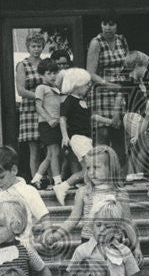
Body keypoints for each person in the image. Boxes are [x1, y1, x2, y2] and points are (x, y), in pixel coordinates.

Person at [42, 146, 141, 266]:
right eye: (88, 168)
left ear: (110, 168)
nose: (91, 172)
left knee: (114, 275)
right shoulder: (84, 192)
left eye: (96, 167)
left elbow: (128, 223)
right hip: (88, 242)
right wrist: (56, 236)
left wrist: (137, 248)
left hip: (114, 243)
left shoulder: (120, 193)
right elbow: (72, 220)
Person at [65, 201, 149, 276]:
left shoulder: (124, 251)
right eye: (98, 225)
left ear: (117, 230)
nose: (102, 230)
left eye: (108, 227)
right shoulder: (82, 251)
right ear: (91, 225)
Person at [87, 12, 129, 165]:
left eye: (111, 24)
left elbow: (128, 65)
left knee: (118, 133)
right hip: (101, 92)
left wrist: (123, 84)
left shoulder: (122, 40)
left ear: (117, 25)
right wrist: (109, 84)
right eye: (105, 24)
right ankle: (99, 171)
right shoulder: (96, 43)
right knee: (103, 134)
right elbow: (90, 73)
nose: (108, 28)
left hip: (118, 92)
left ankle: (119, 175)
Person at [54, 68, 94, 206]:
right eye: (86, 84)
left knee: (89, 168)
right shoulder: (69, 101)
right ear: (76, 85)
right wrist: (65, 136)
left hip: (86, 138)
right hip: (77, 138)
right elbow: (62, 119)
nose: (89, 87)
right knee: (89, 168)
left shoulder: (84, 101)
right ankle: (63, 186)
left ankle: (87, 191)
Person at [15, 31, 47, 180]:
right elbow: (21, 90)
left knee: (49, 146)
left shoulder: (46, 64)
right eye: (33, 46)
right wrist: (38, 95)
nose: (36, 49)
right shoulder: (23, 65)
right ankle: (36, 181)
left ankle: (51, 178)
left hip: (46, 108)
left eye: (39, 46)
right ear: (28, 47)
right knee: (34, 148)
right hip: (29, 109)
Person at [30, 56, 65, 192]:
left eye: (54, 73)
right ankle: (57, 181)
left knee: (51, 155)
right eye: (48, 73)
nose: (52, 76)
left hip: (56, 124)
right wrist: (49, 119)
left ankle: (35, 179)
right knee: (54, 151)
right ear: (42, 75)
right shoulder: (41, 88)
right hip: (46, 124)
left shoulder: (56, 88)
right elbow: (38, 106)